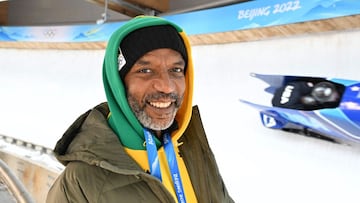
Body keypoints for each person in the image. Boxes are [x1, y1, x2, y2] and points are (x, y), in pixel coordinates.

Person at [46, 16, 234, 203]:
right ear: (118, 84)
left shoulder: (191, 145)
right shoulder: (79, 182)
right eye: (145, 71)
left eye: (176, 70)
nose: (167, 86)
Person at [272, 80, 341, 110]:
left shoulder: (304, 86)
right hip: (279, 104)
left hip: (291, 88)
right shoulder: (295, 104)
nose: (336, 97)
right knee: (309, 102)